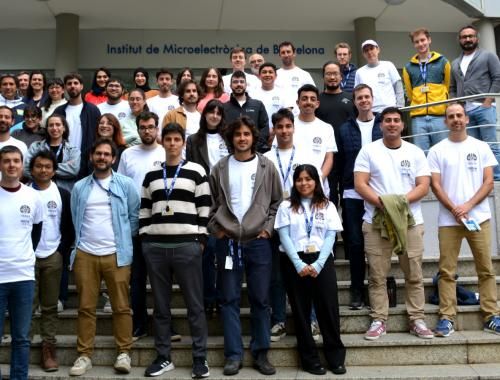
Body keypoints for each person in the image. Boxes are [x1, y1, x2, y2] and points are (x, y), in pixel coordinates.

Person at [208, 116, 282, 376]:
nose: (242, 138)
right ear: (231, 138)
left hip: (258, 243)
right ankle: (233, 355)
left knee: (261, 299)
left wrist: (267, 229)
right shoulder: (219, 168)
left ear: (253, 137)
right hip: (228, 242)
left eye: (246, 134)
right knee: (228, 300)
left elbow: (276, 203)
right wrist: (217, 230)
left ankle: (261, 353)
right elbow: (211, 203)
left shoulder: (266, 166)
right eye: (237, 134)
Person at [354, 107, 434, 341]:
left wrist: (397, 203)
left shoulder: (416, 152)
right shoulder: (368, 151)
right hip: (376, 223)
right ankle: (379, 319)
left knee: (414, 274)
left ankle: (417, 319)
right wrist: (384, 204)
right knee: (378, 276)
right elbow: (360, 184)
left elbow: (423, 185)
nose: (391, 124)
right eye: (387, 120)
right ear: (381, 126)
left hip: (410, 223)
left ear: (402, 125)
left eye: (396, 120)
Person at [140, 123, 210, 378]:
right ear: (162, 142)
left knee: (195, 305)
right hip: (156, 247)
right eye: (168, 139)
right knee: (160, 307)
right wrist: (146, 239)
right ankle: (163, 357)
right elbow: (145, 208)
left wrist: (200, 239)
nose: (172, 144)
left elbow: (204, 208)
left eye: (176, 139)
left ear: (183, 142)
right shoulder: (152, 174)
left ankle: (200, 358)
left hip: (186, 246)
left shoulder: (196, 171)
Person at [428, 103, 500, 337]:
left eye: (459, 115)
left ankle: (491, 315)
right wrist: (455, 209)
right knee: (447, 271)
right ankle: (447, 317)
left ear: (467, 119)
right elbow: (435, 185)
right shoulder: (437, 150)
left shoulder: (481, 147)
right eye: (451, 116)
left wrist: (467, 207)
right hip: (449, 222)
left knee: (486, 269)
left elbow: (488, 182)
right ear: (445, 122)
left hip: (479, 218)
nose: (456, 119)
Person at [69, 138, 139, 376]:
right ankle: (84, 355)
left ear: (113, 158)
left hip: (116, 254)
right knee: (85, 307)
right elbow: (75, 218)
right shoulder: (79, 187)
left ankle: (124, 352)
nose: (101, 157)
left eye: (106, 154)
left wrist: (122, 240)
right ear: (91, 157)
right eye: (97, 153)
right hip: (85, 253)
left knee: (121, 307)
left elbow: (134, 216)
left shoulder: (126, 184)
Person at [275, 164, 346, 375]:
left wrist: (318, 264)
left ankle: (335, 358)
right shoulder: (286, 206)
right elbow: (284, 236)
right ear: (294, 183)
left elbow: (331, 236)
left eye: (308, 179)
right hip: (294, 260)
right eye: (299, 179)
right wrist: (298, 263)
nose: (304, 183)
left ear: (316, 181)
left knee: (328, 309)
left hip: (321, 260)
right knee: (301, 311)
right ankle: (310, 359)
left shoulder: (327, 205)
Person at [118, 111, 165, 341]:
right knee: (137, 278)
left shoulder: (167, 151)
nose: (147, 131)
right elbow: (120, 188)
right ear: (137, 130)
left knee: (161, 278)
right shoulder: (127, 154)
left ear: (157, 129)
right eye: (143, 127)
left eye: (151, 127)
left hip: (162, 222)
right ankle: (139, 323)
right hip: (135, 223)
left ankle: (164, 324)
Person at [263, 108, 310, 343]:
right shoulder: (266, 158)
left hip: (301, 220)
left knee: (304, 272)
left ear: (293, 127)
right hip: (274, 223)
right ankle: (279, 320)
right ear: (274, 130)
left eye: (288, 126)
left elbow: (313, 187)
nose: (284, 131)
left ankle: (310, 320)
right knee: (277, 276)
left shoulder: (304, 154)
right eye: (279, 127)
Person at [336, 84, 382, 310]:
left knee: (379, 243)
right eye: (359, 98)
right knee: (354, 243)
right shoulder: (345, 129)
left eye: (367, 96)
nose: (364, 100)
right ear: (354, 102)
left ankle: (378, 289)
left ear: (372, 99)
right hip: (352, 193)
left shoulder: (384, 124)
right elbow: (340, 161)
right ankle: (356, 289)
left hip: (379, 193)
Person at [0, 145, 43, 380]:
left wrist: (23, 256)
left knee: (21, 337)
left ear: (21, 164)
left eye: (16, 160)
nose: (11, 165)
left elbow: (35, 232)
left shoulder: (32, 196)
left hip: (24, 276)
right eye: (6, 161)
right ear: (0, 164)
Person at [28, 150, 74, 372]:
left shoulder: (63, 194)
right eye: (39, 166)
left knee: (49, 307)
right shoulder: (24, 192)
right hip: (27, 258)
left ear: (54, 170)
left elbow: (69, 227)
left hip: (53, 256)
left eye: (47, 166)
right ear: (32, 169)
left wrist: (60, 252)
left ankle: (48, 349)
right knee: (27, 305)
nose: (43, 170)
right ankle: (23, 347)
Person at [186, 99, 229, 316]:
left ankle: (223, 297)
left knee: (224, 251)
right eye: (210, 112)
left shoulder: (229, 137)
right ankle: (208, 297)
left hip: (227, 199)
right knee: (207, 250)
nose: (214, 116)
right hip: (202, 199)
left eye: (218, 112)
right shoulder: (194, 140)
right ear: (204, 116)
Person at [449, 24, 500, 181]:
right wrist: (455, 105)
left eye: (471, 36)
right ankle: (480, 178)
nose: (468, 39)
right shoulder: (455, 63)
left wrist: (488, 101)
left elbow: (497, 77)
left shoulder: (487, 56)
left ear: (477, 38)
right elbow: (452, 87)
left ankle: (497, 178)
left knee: (490, 145)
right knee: (473, 148)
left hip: (484, 108)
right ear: (460, 40)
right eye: (464, 37)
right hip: (466, 112)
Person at [403, 27, 451, 153]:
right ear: (414, 44)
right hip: (418, 118)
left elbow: (448, 86)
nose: (420, 44)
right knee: (421, 154)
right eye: (417, 42)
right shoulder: (408, 67)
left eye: (423, 40)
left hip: (439, 116)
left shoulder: (443, 61)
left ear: (429, 40)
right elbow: (409, 92)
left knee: (442, 153)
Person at [315, 61, 356, 205]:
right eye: (328, 74)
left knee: (348, 198)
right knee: (328, 196)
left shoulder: (351, 99)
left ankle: (348, 228)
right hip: (325, 156)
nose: (332, 77)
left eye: (335, 74)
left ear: (341, 76)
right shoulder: (317, 100)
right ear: (323, 77)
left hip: (348, 156)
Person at [54, 73, 100, 177]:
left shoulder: (92, 110)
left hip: (86, 162)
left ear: (82, 86)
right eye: (69, 83)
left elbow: (97, 136)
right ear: (65, 87)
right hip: (63, 162)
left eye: (76, 83)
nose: (73, 86)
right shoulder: (59, 111)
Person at [24, 114, 81, 192]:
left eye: (58, 125)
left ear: (64, 128)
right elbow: (26, 168)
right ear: (47, 128)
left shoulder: (73, 150)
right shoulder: (36, 147)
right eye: (51, 125)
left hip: (63, 193)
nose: (54, 128)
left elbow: (73, 170)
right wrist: (63, 167)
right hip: (37, 191)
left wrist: (40, 168)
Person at [223, 71, 269, 153]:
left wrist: (254, 147)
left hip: (255, 153)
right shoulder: (223, 107)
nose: (239, 84)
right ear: (230, 86)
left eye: (241, 81)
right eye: (235, 82)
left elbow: (264, 128)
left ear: (246, 85)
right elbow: (221, 131)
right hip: (230, 153)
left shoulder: (258, 105)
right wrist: (230, 149)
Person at [354, 40, 404, 113]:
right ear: (363, 54)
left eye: (371, 48)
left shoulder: (388, 65)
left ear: (378, 49)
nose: (369, 52)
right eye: (366, 50)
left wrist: (400, 107)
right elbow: (357, 94)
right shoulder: (359, 72)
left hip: (390, 110)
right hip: (369, 112)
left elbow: (398, 86)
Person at [252, 62, 294, 134]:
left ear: (276, 76)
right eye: (264, 72)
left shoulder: (284, 93)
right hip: (256, 135)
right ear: (259, 76)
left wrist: (274, 131)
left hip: (278, 134)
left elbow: (288, 113)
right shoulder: (252, 93)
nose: (267, 75)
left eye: (270, 72)